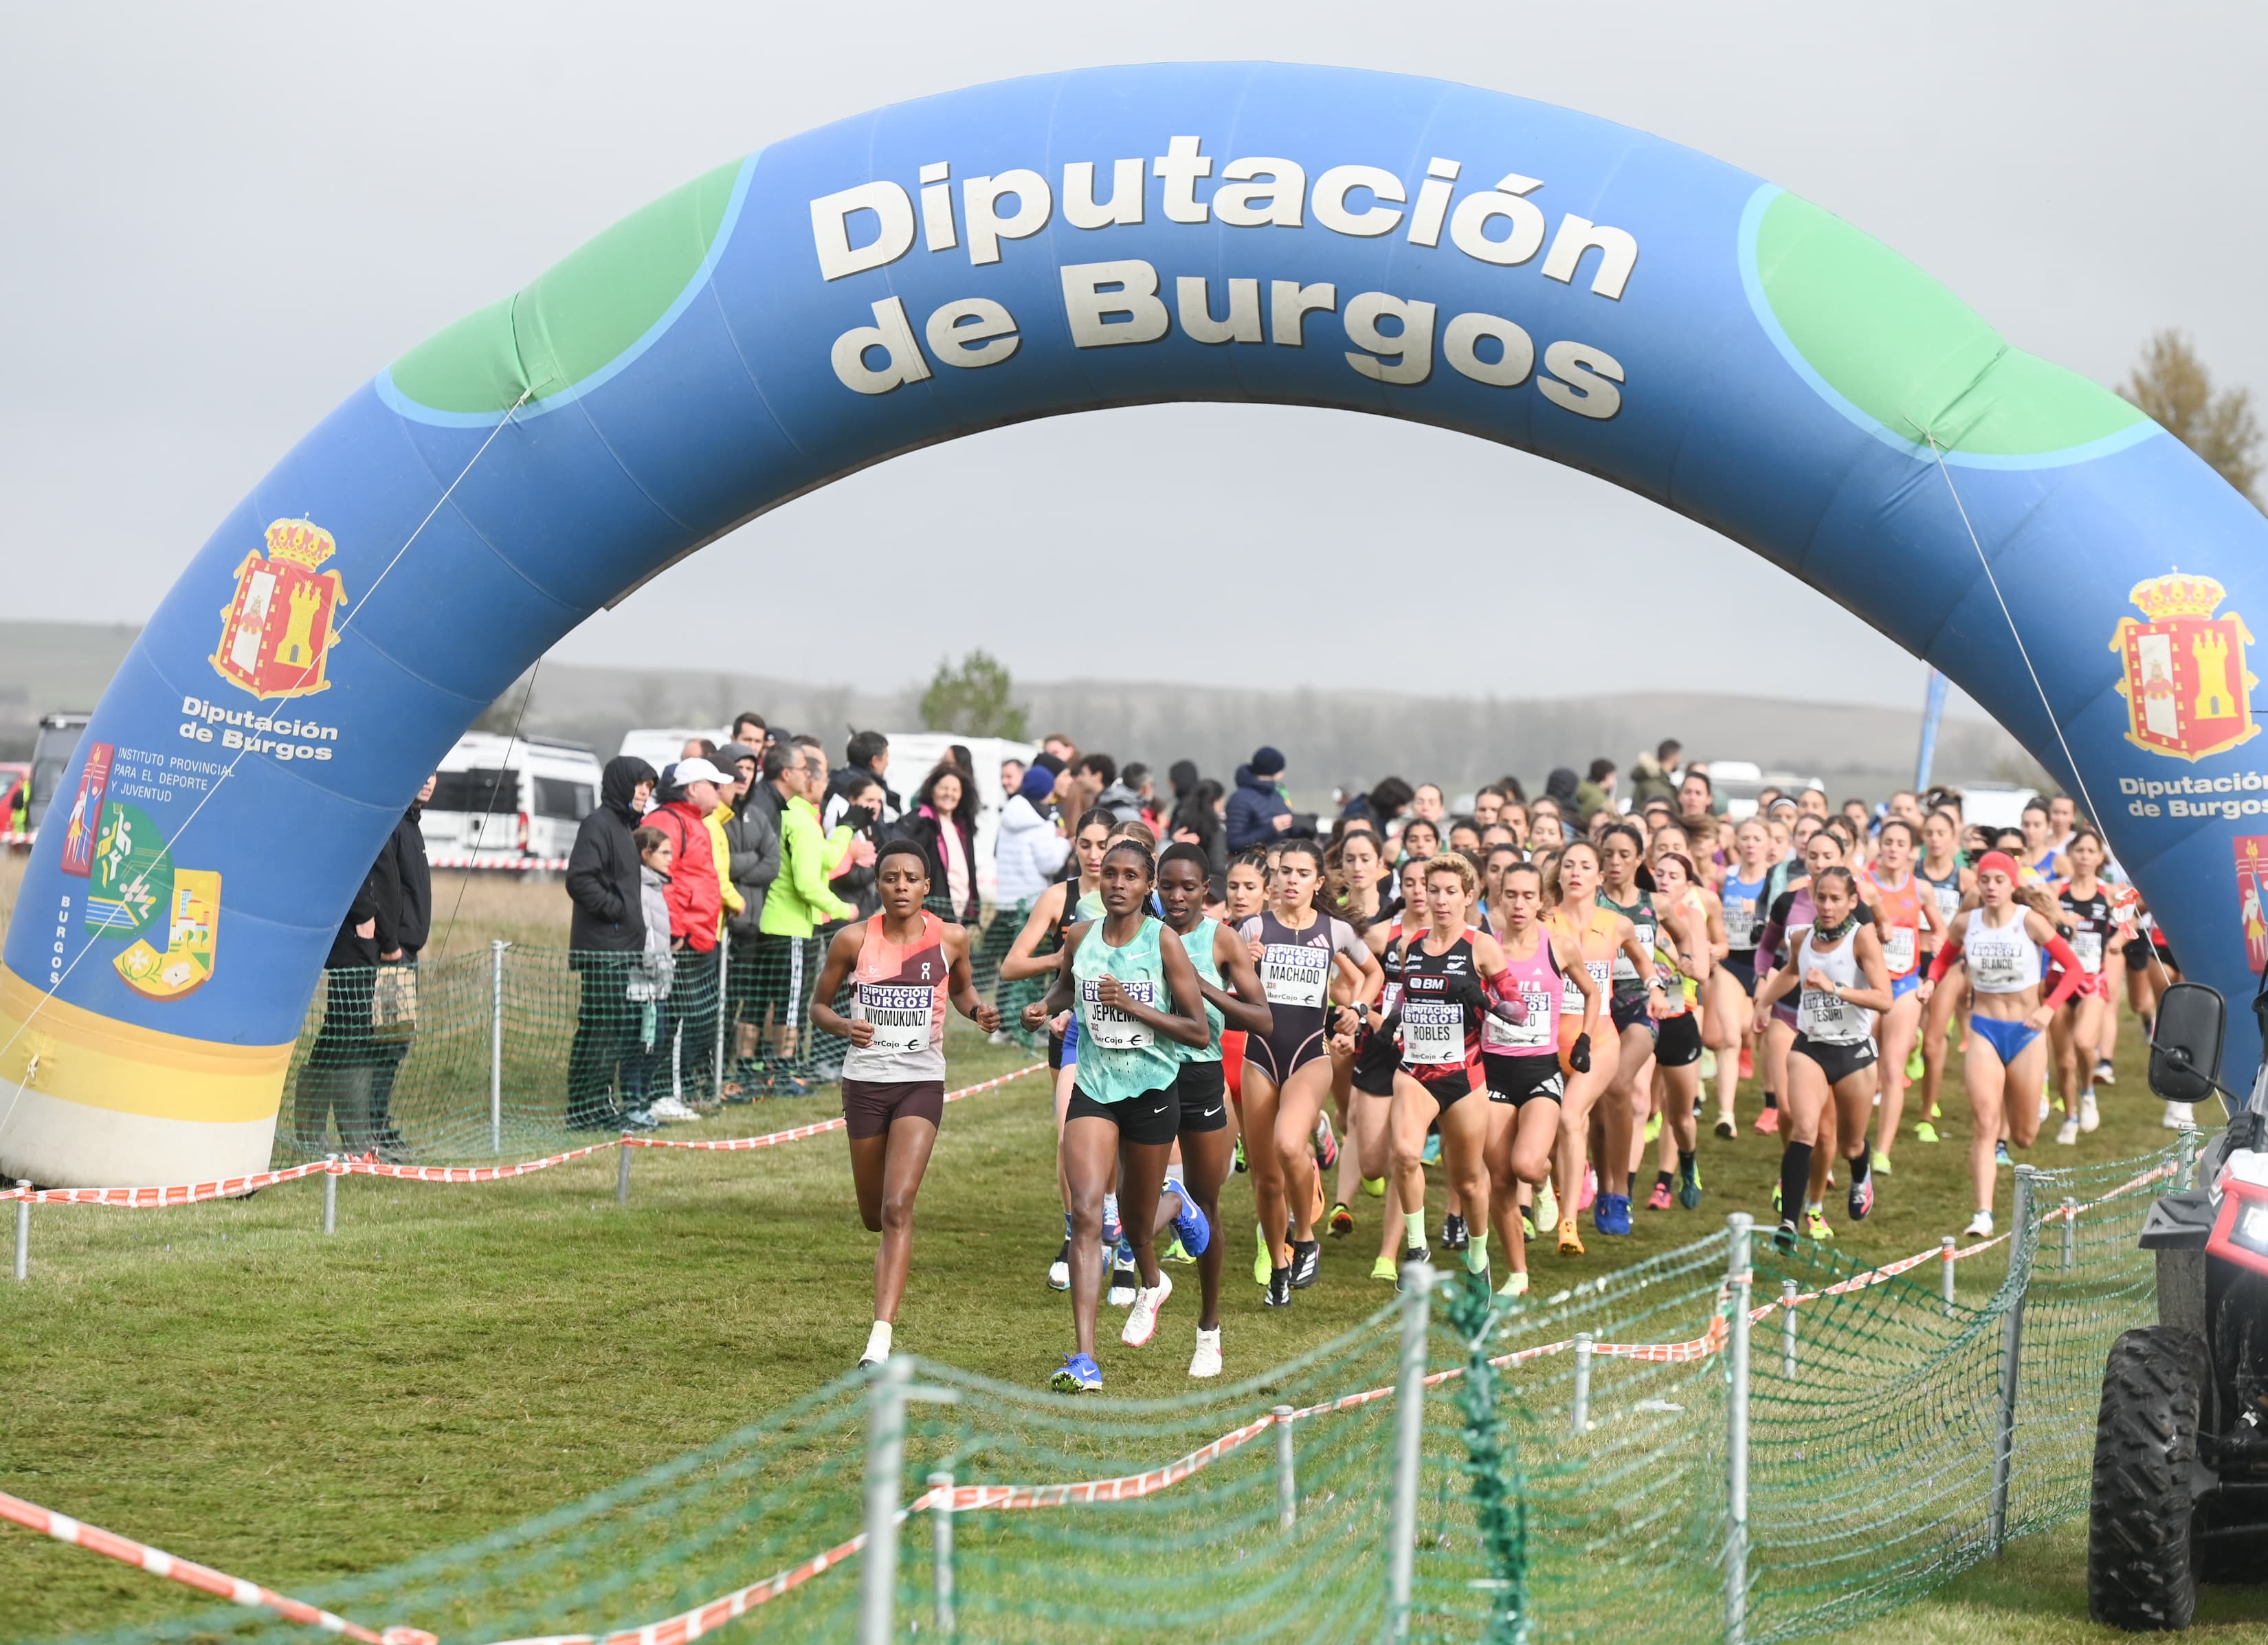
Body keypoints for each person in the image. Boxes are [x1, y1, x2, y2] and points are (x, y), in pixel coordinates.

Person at [1021, 839, 1211, 1392]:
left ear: (1148, 885)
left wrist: (1134, 1006)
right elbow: (1063, 990)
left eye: (1131, 876)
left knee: (1132, 1218)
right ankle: (1085, 1358)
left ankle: (1176, 1202)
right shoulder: (1079, 936)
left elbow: (1198, 1030)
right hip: (1096, 1087)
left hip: (1152, 1088)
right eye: (1110, 874)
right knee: (1086, 1214)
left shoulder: (1165, 944)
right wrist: (1044, 1009)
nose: (1119, 884)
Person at [810, 839, 1002, 1370]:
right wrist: (844, 1025)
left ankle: (879, 1338)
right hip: (866, 1083)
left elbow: (962, 992)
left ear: (926, 887)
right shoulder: (852, 940)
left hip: (921, 1080)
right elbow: (818, 1005)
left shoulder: (951, 938)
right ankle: (883, 1305)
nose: (900, 886)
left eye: (910, 878)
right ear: (879, 885)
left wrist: (978, 1011)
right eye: (890, 877)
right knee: (874, 1214)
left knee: (899, 1206)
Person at [1241, 837, 1381, 1305]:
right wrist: (1243, 966)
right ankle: (1279, 1265)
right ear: (1273, 879)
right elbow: (1222, 984)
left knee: (1287, 1144)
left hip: (1308, 1054)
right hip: (1258, 1055)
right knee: (1264, 1174)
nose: (1291, 880)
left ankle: (1305, 1237)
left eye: (1301, 873)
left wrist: (1357, 1010)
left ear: (1318, 881)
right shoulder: (1252, 927)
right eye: (1283, 872)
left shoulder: (1334, 930)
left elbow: (1372, 973)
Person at [1922, 852, 2084, 1239]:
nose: (1992, 887)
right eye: (1985, 880)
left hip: (2027, 1033)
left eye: (1999, 880)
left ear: (2012, 884)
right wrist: (1930, 981)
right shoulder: (1966, 924)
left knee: (2025, 1136)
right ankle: (1983, 1213)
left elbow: (2073, 968)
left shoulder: (2029, 922)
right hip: (1984, 1031)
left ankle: (2034, 1101)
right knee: (1985, 1123)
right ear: (1977, 884)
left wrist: (2048, 1010)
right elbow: (1942, 960)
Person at [1155, 841, 1273, 1376]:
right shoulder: (1137, 933)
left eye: (1188, 887)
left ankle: (1209, 1329)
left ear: (1208, 891)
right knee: (1134, 1201)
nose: (1176, 897)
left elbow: (1261, 1016)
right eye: (1167, 886)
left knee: (1205, 1201)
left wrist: (1207, 989)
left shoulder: (1220, 938)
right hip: (1142, 1077)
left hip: (1200, 1077)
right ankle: (1151, 1285)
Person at [1383, 853, 1523, 1299]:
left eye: (1450, 892)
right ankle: (1418, 1248)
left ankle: (1479, 1258)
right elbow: (1408, 992)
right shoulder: (1413, 943)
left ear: (1469, 896)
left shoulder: (1482, 946)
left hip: (1464, 1076)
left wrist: (1482, 998)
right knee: (1405, 1153)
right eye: (1432, 889)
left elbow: (1518, 1011)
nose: (1439, 900)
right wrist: (1390, 1025)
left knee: (1466, 1179)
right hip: (1415, 1069)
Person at [1001, 808, 1117, 1289]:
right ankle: (1075, 1237)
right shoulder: (1059, 897)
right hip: (1066, 1025)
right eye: (1086, 844)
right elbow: (1011, 966)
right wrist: (1066, 954)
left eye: (1103, 845)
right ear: (1073, 845)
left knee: (1115, 1141)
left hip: (1117, 1031)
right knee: (1070, 1137)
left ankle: (1112, 1232)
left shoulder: (1132, 896)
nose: (1094, 854)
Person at [1752, 864, 1894, 1250]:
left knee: (1849, 1144)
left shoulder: (1863, 939)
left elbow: (1885, 999)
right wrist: (1763, 1002)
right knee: (1803, 1129)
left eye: (1835, 899)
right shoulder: (1802, 937)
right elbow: (1790, 974)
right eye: (1821, 897)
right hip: (1810, 1046)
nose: (1827, 906)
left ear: (1852, 902)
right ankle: (1788, 1224)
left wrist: (1836, 989)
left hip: (1854, 1053)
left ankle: (1861, 1171)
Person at [1480, 859, 1599, 1297]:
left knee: (1527, 1164)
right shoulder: (1484, 947)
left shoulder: (1559, 947)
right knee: (1500, 1179)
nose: (1518, 904)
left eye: (1528, 896)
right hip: (1493, 1070)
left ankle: (1546, 1183)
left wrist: (1584, 1039)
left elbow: (1591, 991)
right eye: (1510, 894)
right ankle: (1518, 1273)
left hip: (1540, 1070)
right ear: (1499, 897)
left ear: (1542, 901)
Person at [757, 742, 859, 1094]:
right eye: (824, 776)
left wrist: (845, 829)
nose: (826, 784)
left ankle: (758, 1068)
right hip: (791, 925)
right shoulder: (800, 819)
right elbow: (807, 881)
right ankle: (783, 1071)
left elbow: (825, 859)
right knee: (790, 1003)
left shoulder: (796, 815)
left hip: (775, 922)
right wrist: (844, 909)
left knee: (763, 1000)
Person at [564, 755, 657, 1129]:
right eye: (639, 785)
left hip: (620, 950)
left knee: (609, 1030)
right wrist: (617, 911)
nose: (645, 793)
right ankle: (587, 1112)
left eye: (649, 788)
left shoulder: (623, 827)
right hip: (603, 950)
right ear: (621, 785)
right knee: (599, 1031)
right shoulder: (598, 824)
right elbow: (580, 879)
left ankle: (599, 1108)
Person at [641, 758, 730, 1117]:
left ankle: (671, 1091)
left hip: (699, 936)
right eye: (713, 783)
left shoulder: (696, 823)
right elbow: (661, 880)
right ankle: (665, 1094)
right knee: (676, 1017)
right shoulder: (667, 821)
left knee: (688, 1017)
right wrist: (675, 931)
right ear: (692, 788)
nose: (721, 791)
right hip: (683, 939)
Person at [1858, 817, 1946, 1175]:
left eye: (1900, 843)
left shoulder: (1921, 889)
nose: (1893, 849)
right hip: (1865, 985)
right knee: (1863, 1065)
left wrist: (1931, 975)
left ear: (1913, 851)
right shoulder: (1862, 885)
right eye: (1888, 842)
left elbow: (1941, 934)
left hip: (1905, 985)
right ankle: (1854, 1140)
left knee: (1893, 1068)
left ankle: (1882, 1151)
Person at [364, 772, 434, 1158]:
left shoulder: (413, 825)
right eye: (421, 773)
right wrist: (390, 944)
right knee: (384, 1044)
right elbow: (384, 890)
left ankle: (380, 1124)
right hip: (392, 954)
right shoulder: (392, 825)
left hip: (408, 951)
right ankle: (371, 1130)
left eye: (434, 775)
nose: (427, 781)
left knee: (397, 1042)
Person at [2049, 828, 2124, 1145]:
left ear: (2100, 858)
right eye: (2079, 850)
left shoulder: (2110, 893)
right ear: (2070, 854)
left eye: (2091, 851)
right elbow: (2036, 918)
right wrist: (2059, 919)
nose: (2084, 857)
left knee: (2083, 1042)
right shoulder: (2055, 890)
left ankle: (2088, 1092)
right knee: (2063, 1061)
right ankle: (2069, 1117)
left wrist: (2117, 941)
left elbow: (2129, 923)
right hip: (2059, 981)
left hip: (2092, 981)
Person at [723, 744, 781, 1100]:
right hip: (725, 924)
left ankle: (736, 1069)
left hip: (753, 924)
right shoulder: (716, 816)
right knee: (724, 1001)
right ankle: (717, 1070)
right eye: (737, 767)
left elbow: (772, 863)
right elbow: (720, 865)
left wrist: (739, 866)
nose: (743, 775)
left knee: (746, 998)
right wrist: (748, 862)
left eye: (749, 767)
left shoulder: (757, 815)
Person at [619, 826, 678, 1129]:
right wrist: (657, 969)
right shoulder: (640, 889)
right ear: (646, 854)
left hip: (657, 986)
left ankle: (641, 1104)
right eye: (665, 852)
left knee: (653, 1045)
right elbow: (646, 936)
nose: (671, 859)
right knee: (640, 1047)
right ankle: (633, 1106)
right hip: (643, 987)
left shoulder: (655, 887)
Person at [904, 762, 981, 924]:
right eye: (944, 788)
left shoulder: (962, 826)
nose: (949, 794)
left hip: (960, 909)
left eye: (955, 790)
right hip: (932, 913)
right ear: (932, 791)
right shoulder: (921, 822)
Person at [997, 764, 1072, 905]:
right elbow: (1050, 865)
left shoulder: (1010, 814)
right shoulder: (1043, 823)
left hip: (1005, 901)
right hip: (1031, 902)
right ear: (1047, 791)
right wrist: (1063, 843)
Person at [824, 730, 901, 831]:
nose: (887, 764)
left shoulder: (835, 781)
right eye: (886, 757)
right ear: (875, 761)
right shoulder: (868, 789)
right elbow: (879, 832)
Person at [1226, 746, 1294, 850]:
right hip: (1253, 862)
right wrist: (1271, 829)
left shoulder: (1276, 794)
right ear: (1275, 771)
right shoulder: (1240, 799)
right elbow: (1234, 842)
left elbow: (1287, 828)